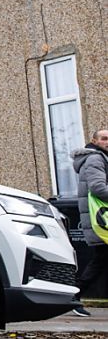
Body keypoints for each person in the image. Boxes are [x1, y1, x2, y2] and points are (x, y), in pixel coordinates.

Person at [71, 129, 108, 316]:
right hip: (102, 221)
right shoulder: (95, 159)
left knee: (100, 261)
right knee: (100, 260)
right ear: (94, 140)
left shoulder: (101, 158)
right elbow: (99, 188)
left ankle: (74, 296)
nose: (107, 141)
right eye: (104, 138)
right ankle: (74, 296)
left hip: (100, 220)